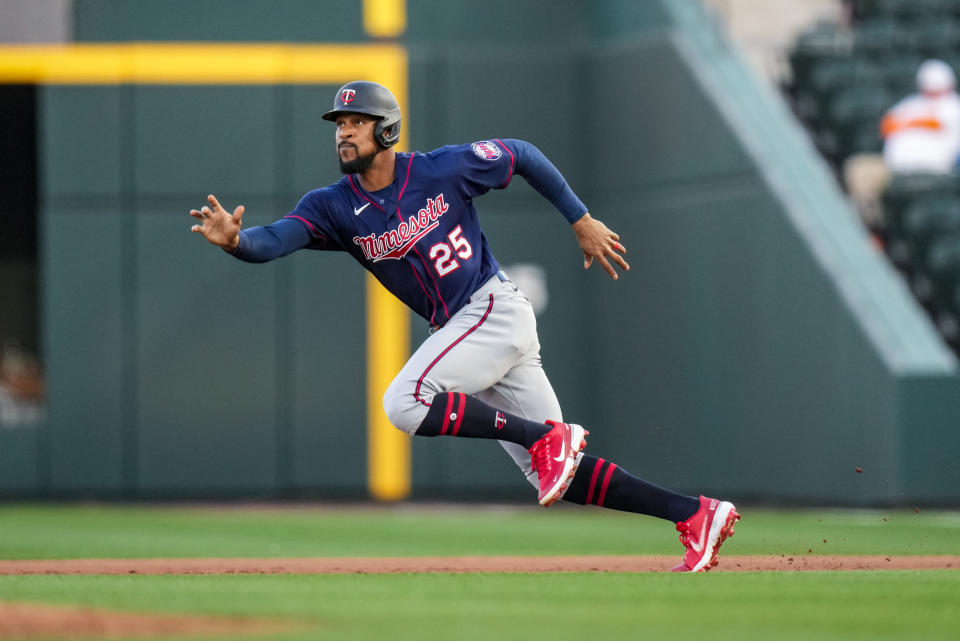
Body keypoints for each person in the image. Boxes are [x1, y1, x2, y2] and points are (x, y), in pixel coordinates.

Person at [189, 80, 739, 572]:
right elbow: (272, 242)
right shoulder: (333, 206)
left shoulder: (440, 168)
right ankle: (695, 514)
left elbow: (521, 154)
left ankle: (547, 438)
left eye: (356, 123)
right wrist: (237, 241)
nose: (344, 133)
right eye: (340, 125)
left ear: (388, 130)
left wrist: (580, 217)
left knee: (404, 402)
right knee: (558, 476)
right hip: (471, 329)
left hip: (489, 310)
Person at [881, 59, 960, 174]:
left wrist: (909, 124)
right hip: (900, 164)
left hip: (940, 164)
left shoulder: (953, 103)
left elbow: (939, 123)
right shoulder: (914, 101)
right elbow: (887, 124)